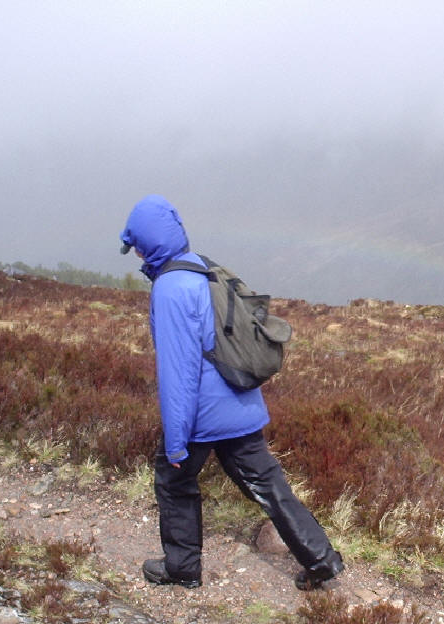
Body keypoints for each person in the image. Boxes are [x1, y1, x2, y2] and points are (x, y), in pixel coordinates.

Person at [119, 194, 343, 590]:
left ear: (148, 242)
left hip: (203, 415)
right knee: (270, 487)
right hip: (241, 403)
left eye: (136, 243)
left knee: (173, 481)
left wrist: (175, 443)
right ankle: (321, 560)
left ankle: (182, 567)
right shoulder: (204, 268)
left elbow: (179, 373)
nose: (135, 252)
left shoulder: (170, 289)